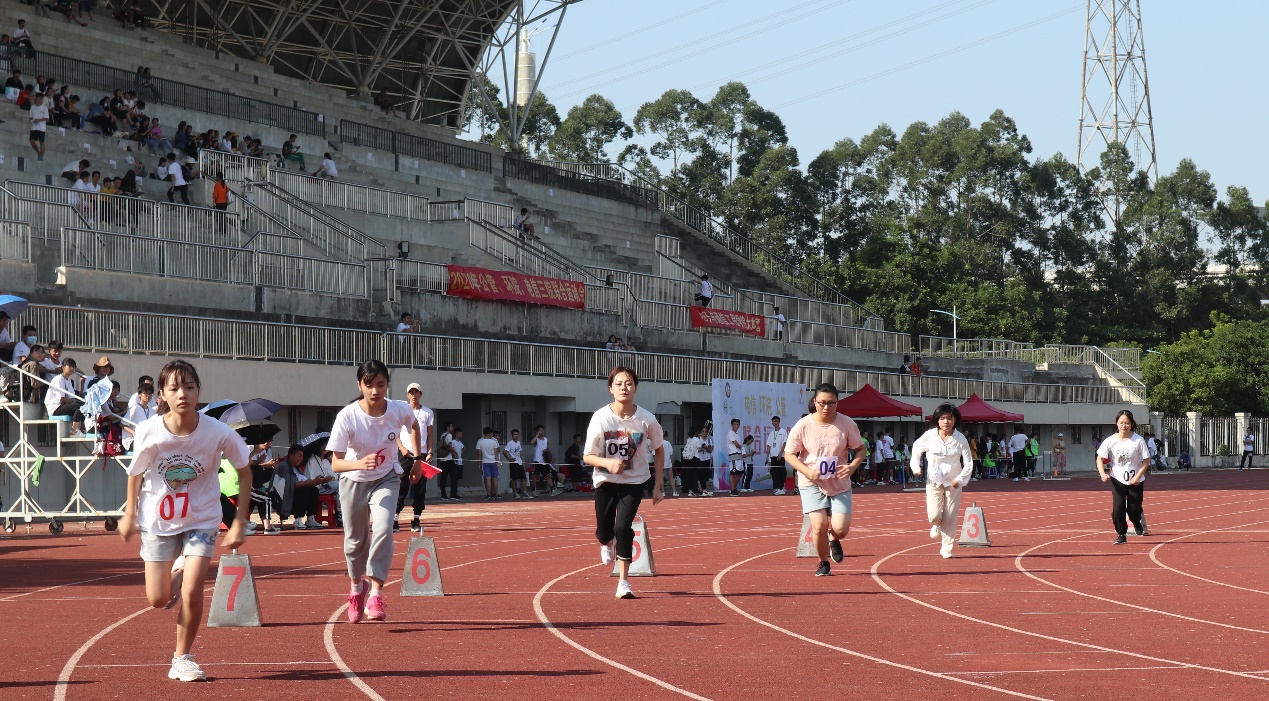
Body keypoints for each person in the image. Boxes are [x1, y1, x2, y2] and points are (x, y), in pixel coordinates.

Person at [116, 360, 252, 682]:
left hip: (201, 519)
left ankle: (182, 658)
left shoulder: (217, 432)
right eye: (175, 388)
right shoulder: (150, 430)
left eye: (189, 387)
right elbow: (135, 473)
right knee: (158, 599)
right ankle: (177, 571)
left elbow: (245, 472)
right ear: (162, 394)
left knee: (193, 590)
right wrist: (130, 514)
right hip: (158, 520)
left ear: (198, 391)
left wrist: (239, 521)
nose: (183, 394)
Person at [328, 360, 421, 623]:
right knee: (355, 541)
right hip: (353, 480)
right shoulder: (347, 416)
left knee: (383, 528)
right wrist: (358, 463)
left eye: (380, 384)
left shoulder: (399, 409)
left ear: (388, 385)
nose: (375, 391)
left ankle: (376, 593)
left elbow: (414, 426)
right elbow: (336, 463)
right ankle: (357, 589)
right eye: (368, 385)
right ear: (359, 385)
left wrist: (417, 458)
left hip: (386, 478)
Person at [582, 365, 665, 600]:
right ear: (611, 389)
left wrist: (658, 485)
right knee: (605, 531)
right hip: (605, 480)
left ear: (636, 388)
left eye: (628, 383)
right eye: (618, 384)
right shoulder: (601, 418)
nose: (624, 388)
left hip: (634, 480)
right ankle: (606, 542)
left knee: (623, 527)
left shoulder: (647, 419)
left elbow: (659, 450)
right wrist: (608, 464)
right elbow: (587, 456)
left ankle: (623, 582)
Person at [784, 383, 865, 576]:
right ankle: (823, 562)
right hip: (811, 482)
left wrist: (852, 466)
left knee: (841, 529)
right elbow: (789, 454)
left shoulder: (847, 424)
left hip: (839, 482)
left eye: (831, 403)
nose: (826, 407)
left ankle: (834, 538)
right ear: (815, 402)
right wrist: (807, 471)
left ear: (837, 403)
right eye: (822, 403)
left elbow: (861, 449)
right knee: (819, 525)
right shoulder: (803, 425)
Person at [910, 403, 975, 559]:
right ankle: (936, 523)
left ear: (955, 420)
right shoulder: (929, 436)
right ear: (937, 420)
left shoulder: (960, 439)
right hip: (934, 480)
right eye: (943, 418)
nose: (946, 421)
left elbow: (968, 462)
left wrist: (960, 480)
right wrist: (916, 468)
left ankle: (946, 548)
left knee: (950, 516)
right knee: (934, 514)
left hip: (953, 482)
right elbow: (916, 449)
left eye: (950, 418)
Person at [1096, 409, 1150, 545]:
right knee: (1118, 508)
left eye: (1127, 423)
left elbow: (1146, 460)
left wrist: (1137, 477)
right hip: (1117, 479)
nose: (1124, 425)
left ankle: (1137, 522)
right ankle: (1121, 534)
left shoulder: (1138, 440)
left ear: (1132, 424)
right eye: (1121, 423)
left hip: (1135, 480)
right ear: (1117, 424)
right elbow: (1099, 458)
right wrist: (1102, 474)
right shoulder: (1110, 440)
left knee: (1133, 509)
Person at [394, 382, 434, 532]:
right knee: (401, 485)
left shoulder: (428, 412)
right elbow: (395, 433)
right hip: (405, 453)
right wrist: (402, 448)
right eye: (411, 393)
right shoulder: (402, 411)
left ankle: (416, 519)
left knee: (420, 488)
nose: (414, 395)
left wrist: (430, 452)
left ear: (420, 394)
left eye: (416, 392)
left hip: (421, 454)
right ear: (407, 395)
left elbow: (430, 434)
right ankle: (395, 519)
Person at [281, 444, 331, 529]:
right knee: (303, 489)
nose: (301, 459)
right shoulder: (285, 466)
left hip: (292, 493)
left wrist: (317, 481)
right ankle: (298, 520)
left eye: (302, 456)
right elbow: (294, 484)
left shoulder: (297, 469)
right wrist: (312, 482)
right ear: (291, 455)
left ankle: (310, 519)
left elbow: (305, 480)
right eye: (299, 456)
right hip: (283, 496)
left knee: (314, 488)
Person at [121, 382, 155, 452]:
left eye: (150, 394)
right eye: (145, 393)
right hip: (133, 440)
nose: (148, 396)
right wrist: (134, 433)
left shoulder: (151, 410)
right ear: (140, 394)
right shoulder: (135, 408)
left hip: (147, 439)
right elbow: (122, 424)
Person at [504, 428, 530, 498]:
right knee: (514, 478)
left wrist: (520, 459)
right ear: (512, 435)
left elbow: (520, 452)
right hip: (514, 463)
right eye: (515, 434)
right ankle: (515, 492)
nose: (516, 436)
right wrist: (509, 459)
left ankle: (524, 492)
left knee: (523, 478)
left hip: (519, 462)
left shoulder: (518, 443)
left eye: (517, 434)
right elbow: (504, 451)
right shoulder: (510, 443)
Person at [435, 421, 459, 500]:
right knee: (454, 477)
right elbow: (450, 446)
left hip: (443, 459)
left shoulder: (442, 435)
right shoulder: (449, 435)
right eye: (451, 426)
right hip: (449, 459)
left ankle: (443, 495)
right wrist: (455, 453)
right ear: (448, 428)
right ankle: (453, 494)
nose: (452, 428)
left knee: (443, 478)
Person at [476, 427, 500, 500]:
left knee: (488, 478)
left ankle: (489, 494)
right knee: (495, 478)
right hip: (493, 462)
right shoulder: (494, 442)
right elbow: (496, 453)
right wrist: (498, 462)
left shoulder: (480, 441)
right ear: (490, 433)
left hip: (485, 462)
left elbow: (479, 454)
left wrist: (479, 463)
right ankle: (496, 494)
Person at [767, 416, 788, 495]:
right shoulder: (771, 433)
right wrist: (767, 457)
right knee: (774, 472)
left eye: (776, 421)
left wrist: (780, 453)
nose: (774, 422)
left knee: (781, 472)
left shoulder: (783, 431)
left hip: (780, 456)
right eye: (773, 421)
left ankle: (781, 487)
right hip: (773, 456)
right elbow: (769, 445)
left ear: (779, 422)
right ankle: (777, 488)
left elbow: (784, 443)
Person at [726, 418, 744, 496]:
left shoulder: (737, 434)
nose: (736, 426)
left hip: (739, 455)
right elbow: (736, 444)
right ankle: (733, 490)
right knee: (733, 473)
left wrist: (741, 448)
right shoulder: (730, 433)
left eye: (737, 424)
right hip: (733, 454)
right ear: (732, 425)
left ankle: (733, 488)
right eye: (735, 424)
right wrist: (741, 447)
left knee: (740, 472)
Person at [28, 92, 47, 160]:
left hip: (41, 128)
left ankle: (41, 156)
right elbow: (30, 117)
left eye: (41, 99)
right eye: (38, 98)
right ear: (36, 99)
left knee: (41, 142)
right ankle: (38, 152)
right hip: (34, 127)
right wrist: (32, 120)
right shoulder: (32, 107)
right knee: (32, 141)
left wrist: (39, 120)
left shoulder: (44, 108)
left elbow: (47, 118)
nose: (39, 100)